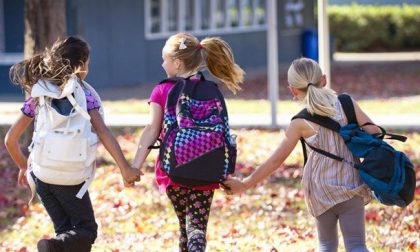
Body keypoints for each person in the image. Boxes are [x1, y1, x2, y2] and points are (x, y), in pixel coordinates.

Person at [224, 58, 377, 252]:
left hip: (321, 192)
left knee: (326, 245)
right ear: (324, 80)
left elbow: (276, 161)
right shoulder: (347, 104)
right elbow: (376, 134)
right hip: (352, 185)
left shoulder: (300, 123)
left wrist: (245, 183)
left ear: (293, 90)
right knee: (357, 245)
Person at [4, 36, 142, 252]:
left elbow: (10, 139)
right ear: (80, 65)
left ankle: (54, 246)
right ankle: (50, 246)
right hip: (70, 177)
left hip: (42, 177)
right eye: (87, 64)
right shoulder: (86, 95)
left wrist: (24, 166)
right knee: (86, 230)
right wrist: (125, 168)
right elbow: (103, 133)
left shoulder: (39, 94)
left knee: (66, 234)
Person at [132, 32, 244, 251]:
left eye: (165, 60)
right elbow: (222, 130)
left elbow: (152, 130)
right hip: (208, 168)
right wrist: (227, 168)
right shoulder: (211, 90)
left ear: (176, 62)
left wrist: (135, 166)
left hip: (173, 168)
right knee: (196, 227)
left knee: (185, 228)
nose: (163, 64)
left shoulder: (162, 89)